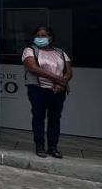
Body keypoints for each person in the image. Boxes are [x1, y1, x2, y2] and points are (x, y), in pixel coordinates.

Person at [21, 25, 73, 158]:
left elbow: (68, 72)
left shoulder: (60, 52)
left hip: (58, 91)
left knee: (55, 119)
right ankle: (39, 146)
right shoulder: (30, 50)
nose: (40, 38)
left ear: (51, 38)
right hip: (38, 90)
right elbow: (33, 68)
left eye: (43, 36)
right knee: (38, 118)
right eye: (38, 35)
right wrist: (58, 79)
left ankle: (53, 147)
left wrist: (63, 83)